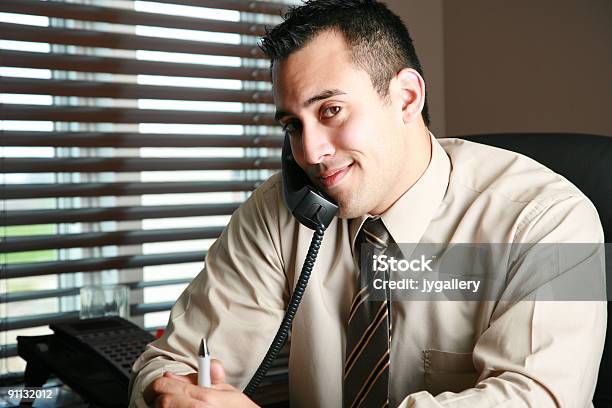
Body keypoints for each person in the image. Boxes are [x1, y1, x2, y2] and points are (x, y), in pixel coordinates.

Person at [129, 1, 606, 407]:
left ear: (406, 97)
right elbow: (169, 364)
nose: (310, 153)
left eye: (330, 111)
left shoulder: (549, 220)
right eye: (293, 125)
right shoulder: (281, 212)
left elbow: (538, 399)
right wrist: (172, 393)